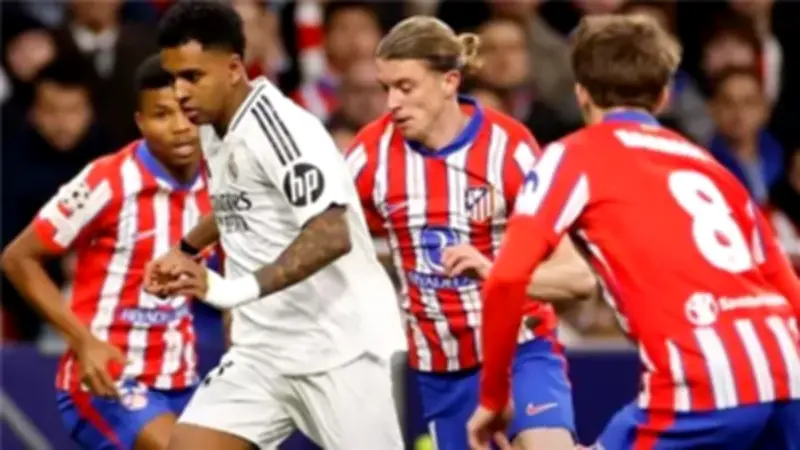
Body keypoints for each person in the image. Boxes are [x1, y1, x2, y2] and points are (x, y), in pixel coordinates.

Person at [469, 14, 800, 450]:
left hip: (702, 381)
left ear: (581, 92)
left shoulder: (571, 157)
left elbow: (507, 277)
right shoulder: (709, 165)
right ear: (663, 97)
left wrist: (493, 396)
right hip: (788, 368)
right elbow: (786, 285)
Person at [146, 2, 404, 449]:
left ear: (233, 69)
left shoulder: (282, 129)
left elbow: (331, 232)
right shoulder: (211, 125)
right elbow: (240, 202)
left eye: (192, 76)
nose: (180, 92)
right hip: (261, 355)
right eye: (173, 79)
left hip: (339, 350)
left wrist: (234, 292)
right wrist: (185, 249)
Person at [345, 16, 598, 450]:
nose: (391, 103)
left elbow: (578, 278)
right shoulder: (369, 156)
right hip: (442, 371)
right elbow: (324, 235)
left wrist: (496, 275)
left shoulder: (510, 149)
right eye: (386, 88)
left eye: (405, 87)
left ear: (449, 81)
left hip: (522, 349)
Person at [0, 54, 210, 450]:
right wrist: (83, 341)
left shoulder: (220, 184)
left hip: (182, 378)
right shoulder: (107, 181)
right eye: (162, 115)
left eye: (188, 112)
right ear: (140, 122)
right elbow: (17, 257)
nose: (181, 127)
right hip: (108, 377)